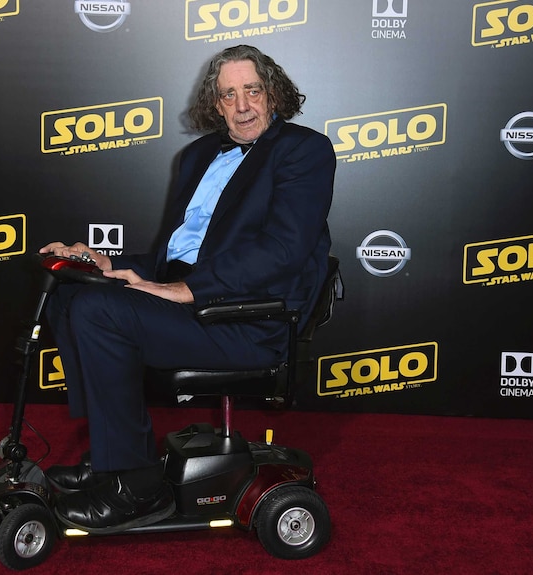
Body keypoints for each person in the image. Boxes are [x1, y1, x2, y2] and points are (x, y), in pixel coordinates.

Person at [38, 44, 336, 534]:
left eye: (253, 90)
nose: (242, 106)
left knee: (97, 310)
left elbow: (283, 250)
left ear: (273, 94)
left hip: (247, 319)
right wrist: (105, 262)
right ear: (215, 105)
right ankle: (110, 456)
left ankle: (136, 485)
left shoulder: (304, 150)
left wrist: (187, 290)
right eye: (228, 95)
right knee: (71, 292)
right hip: (196, 302)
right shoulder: (198, 155)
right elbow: (173, 254)